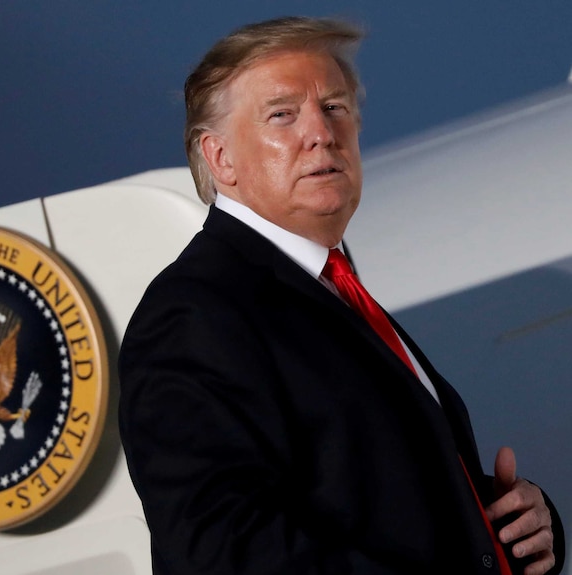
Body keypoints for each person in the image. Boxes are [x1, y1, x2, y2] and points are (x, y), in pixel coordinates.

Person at [118, 16, 564, 575]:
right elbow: (220, 551)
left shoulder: (333, 289)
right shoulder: (195, 312)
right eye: (282, 114)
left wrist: (515, 530)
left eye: (334, 107)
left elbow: (376, 503)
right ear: (220, 159)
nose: (321, 132)